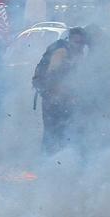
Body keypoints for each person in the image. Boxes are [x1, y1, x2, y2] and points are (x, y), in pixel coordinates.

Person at [32, 26, 88, 154]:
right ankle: (46, 163)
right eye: (77, 42)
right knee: (52, 132)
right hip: (52, 99)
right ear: (70, 40)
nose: (79, 46)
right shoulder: (61, 51)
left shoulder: (78, 53)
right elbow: (52, 75)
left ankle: (58, 162)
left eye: (82, 43)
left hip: (62, 99)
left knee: (63, 131)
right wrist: (59, 95)